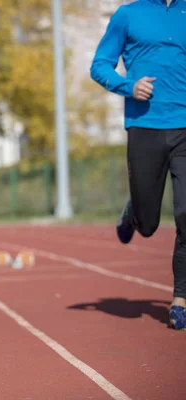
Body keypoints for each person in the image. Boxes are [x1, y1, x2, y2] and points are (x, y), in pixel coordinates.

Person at [90, 0, 186, 330]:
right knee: (148, 225)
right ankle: (134, 212)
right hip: (145, 127)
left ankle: (179, 301)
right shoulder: (128, 15)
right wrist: (128, 86)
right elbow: (100, 65)